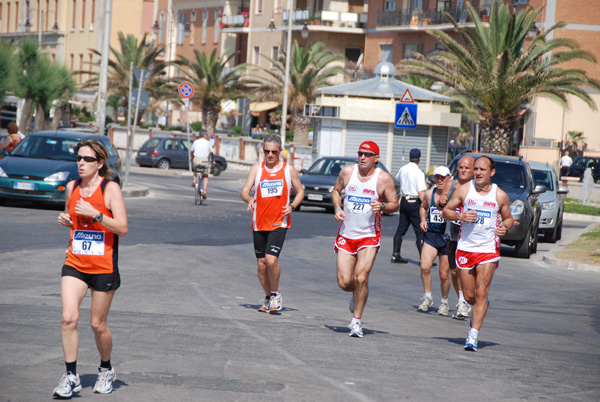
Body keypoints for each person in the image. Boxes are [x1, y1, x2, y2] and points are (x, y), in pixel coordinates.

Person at [54, 139, 128, 397]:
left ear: (100, 163)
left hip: (103, 265)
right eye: (79, 158)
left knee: (97, 324)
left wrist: (96, 214)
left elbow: (122, 228)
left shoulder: (110, 189)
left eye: (87, 159)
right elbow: (72, 218)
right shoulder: (72, 186)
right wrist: (66, 220)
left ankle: (106, 369)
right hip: (75, 262)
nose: (81, 163)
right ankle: (71, 375)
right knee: (68, 318)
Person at [442, 156, 513, 352]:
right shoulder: (465, 190)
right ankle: (480, 305)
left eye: (483, 169)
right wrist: (460, 215)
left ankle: (473, 335)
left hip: (488, 250)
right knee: (471, 295)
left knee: (482, 291)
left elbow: (508, 219)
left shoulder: (500, 196)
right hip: (466, 248)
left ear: (492, 172)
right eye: (476, 169)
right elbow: (445, 212)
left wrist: (504, 229)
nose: (478, 173)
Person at [332, 141, 399, 337]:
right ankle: (357, 293)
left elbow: (395, 203)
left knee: (361, 277)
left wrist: (384, 207)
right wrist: (337, 208)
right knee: (345, 282)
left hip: (369, 235)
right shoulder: (347, 172)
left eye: (367, 154)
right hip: (346, 234)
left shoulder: (383, 179)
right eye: (360, 153)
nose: (362, 157)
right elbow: (336, 191)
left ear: (376, 158)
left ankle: (356, 322)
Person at [240, 134, 304, 313]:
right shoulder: (256, 169)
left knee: (270, 261)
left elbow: (300, 192)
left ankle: (275, 295)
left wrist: (292, 206)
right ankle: (268, 297)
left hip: (279, 222)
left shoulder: (288, 170)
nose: (269, 155)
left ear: (280, 152)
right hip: (258, 223)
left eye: (273, 151)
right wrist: (250, 199)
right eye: (266, 151)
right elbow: (244, 191)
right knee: (261, 264)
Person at [437, 155, 475, 319]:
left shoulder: (477, 187)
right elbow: (441, 207)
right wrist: (442, 202)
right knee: (454, 271)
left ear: (473, 170)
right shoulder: (450, 184)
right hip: (452, 233)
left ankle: (470, 297)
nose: (463, 170)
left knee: (467, 270)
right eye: (461, 167)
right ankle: (461, 301)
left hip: (472, 235)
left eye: (467, 168)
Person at [417, 166, 452, 315]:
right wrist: (423, 219)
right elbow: (423, 207)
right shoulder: (429, 193)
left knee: (444, 274)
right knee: (425, 266)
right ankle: (427, 297)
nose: (439, 180)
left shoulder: (454, 195)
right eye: (437, 177)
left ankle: (444, 302)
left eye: (442, 177)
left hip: (446, 237)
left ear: (448, 179)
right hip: (431, 235)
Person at [391, 148, 427, 264]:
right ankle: (423, 258)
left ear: (409, 157)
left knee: (401, 228)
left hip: (404, 201)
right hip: (415, 202)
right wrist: (425, 205)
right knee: (420, 231)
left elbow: (396, 179)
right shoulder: (419, 172)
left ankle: (395, 255)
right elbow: (421, 192)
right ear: (419, 158)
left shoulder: (403, 169)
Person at [190, 131, 214, 199]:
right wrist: (213, 160)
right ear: (205, 135)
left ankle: (194, 181)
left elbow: (191, 151)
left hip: (196, 160)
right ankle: (204, 191)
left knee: (195, 170)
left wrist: (192, 158)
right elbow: (211, 152)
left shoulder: (195, 142)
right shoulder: (208, 143)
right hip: (204, 160)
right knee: (205, 176)